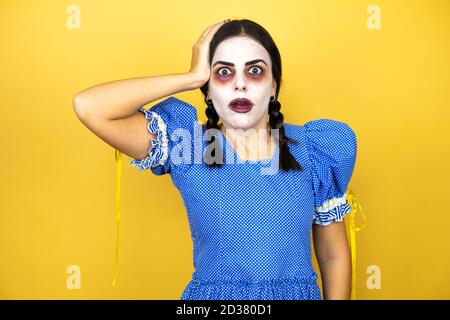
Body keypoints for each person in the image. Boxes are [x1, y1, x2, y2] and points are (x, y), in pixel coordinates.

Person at [72, 18, 357, 300]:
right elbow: (90, 106)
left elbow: (333, 255)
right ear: (208, 89)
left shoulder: (312, 148)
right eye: (223, 73)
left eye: (255, 71)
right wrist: (191, 77)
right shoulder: (188, 145)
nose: (240, 85)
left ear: (273, 86)